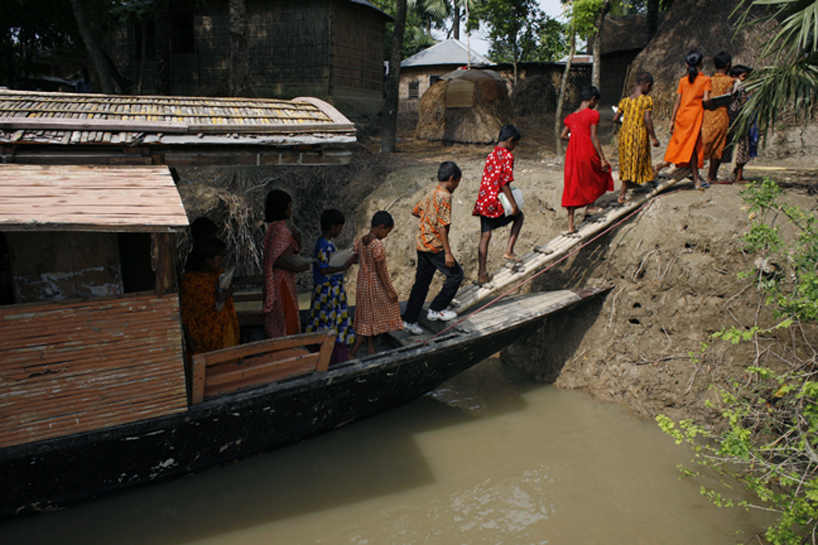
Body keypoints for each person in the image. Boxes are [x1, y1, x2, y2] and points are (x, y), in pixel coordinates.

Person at [402, 161, 464, 335]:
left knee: (421, 284)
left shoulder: (431, 193)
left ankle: (409, 319)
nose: (457, 186)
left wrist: (428, 220)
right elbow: (443, 226)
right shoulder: (445, 196)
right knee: (456, 275)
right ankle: (436, 309)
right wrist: (448, 252)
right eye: (457, 182)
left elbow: (416, 210)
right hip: (435, 246)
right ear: (452, 178)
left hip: (422, 244)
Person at [473, 123, 524, 287]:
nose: (514, 148)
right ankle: (509, 251)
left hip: (483, 201)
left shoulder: (491, 154)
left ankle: (482, 274)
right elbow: (505, 183)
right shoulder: (507, 156)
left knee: (485, 236)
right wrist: (513, 204)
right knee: (519, 217)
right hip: (495, 202)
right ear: (510, 140)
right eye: (515, 144)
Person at [655, 49, 712, 190]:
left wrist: (672, 120)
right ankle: (661, 166)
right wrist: (714, 105)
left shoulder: (683, 81)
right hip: (694, 117)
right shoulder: (705, 80)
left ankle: (696, 178)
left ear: (687, 64)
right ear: (702, 62)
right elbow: (706, 100)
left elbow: (677, 101)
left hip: (682, 116)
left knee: (682, 145)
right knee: (691, 148)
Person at [304, 209, 357, 364]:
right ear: (332, 227)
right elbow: (324, 269)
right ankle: (332, 357)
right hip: (329, 292)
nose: (340, 231)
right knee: (332, 322)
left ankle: (325, 356)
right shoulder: (325, 245)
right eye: (339, 228)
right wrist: (344, 266)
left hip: (326, 290)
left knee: (324, 321)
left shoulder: (324, 243)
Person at [349, 211, 403, 358]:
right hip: (374, 284)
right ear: (381, 227)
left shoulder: (361, 241)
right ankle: (352, 353)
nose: (386, 235)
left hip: (362, 283)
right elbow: (379, 269)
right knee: (368, 319)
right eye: (387, 232)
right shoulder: (377, 244)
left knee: (368, 315)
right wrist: (389, 290)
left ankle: (370, 348)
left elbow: (354, 259)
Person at [561, 85, 613, 234]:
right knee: (597, 173)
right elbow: (593, 136)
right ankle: (591, 205)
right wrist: (602, 158)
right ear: (592, 99)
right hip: (587, 151)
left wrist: (574, 138)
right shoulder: (592, 114)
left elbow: (563, 136)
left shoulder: (571, 117)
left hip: (573, 154)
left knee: (573, 185)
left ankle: (570, 225)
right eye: (595, 102)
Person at [180, 236, 239, 355]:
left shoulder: (219, 274)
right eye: (220, 257)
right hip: (202, 333)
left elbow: (230, 288)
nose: (222, 261)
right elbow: (186, 313)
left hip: (224, 326)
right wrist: (187, 333)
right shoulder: (190, 282)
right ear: (208, 260)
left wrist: (226, 294)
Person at [263, 189, 309, 338]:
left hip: (279, 280)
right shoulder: (280, 230)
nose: (291, 209)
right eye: (289, 206)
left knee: (280, 319)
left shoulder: (274, 229)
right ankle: (287, 353)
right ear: (282, 208)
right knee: (286, 318)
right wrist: (298, 268)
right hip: (281, 280)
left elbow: (287, 252)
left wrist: (298, 240)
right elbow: (275, 260)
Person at [613, 72, 661, 203]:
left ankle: (632, 183)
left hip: (624, 134)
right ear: (647, 85)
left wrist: (627, 123)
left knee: (627, 160)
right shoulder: (646, 100)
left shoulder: (624, 101)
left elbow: (615, 118)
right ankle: (622, 195)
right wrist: (654, 138)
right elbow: (647, 119)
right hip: (638, 134)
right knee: (634, 160)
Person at [702, 51, 735, 184]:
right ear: (728, 64)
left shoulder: (708, 80)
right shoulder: (730, 81)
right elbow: (730, 98)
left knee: (706, 142)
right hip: (721, 114)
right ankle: (712, 176)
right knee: (718, 146)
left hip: (707, 115)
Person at [727, 64, 758, 183]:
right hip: (739, 120)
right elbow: (744, 102)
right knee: (742, 146)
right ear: (735, 76)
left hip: (733, 119)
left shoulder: (732, 87)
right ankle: (738, 176)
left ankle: (736, 173)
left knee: (737, 146)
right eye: (744, 76)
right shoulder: (740, 87)